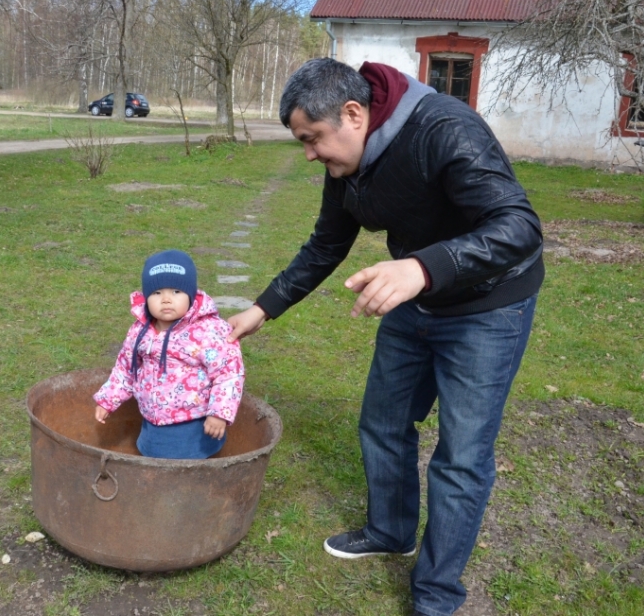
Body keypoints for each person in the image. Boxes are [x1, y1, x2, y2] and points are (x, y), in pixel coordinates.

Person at [227, 58, 544, 616]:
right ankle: (391, 531)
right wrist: (262, 309)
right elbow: (327, 244)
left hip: (487, 306)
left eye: (312, 138)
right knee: (383, 422)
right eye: (302, 142)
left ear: (354, 114)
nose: (310, 155)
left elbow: (519, 227)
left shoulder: (445, 129)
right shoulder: (347, 165)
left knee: (462, 457)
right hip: (414, 295)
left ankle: (436, 596)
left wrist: (421, 267)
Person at [94, 249, 244, 460]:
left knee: (187, 468)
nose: (166, 299)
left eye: (176, 292)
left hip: (192, 424)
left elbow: (228, 373)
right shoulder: (140, 331)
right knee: (152, 461)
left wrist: (219, 413)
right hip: (152, 422)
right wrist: (107, 400)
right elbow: (126, 368)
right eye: (156, 293)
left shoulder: (208, 331)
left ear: (190, 295)